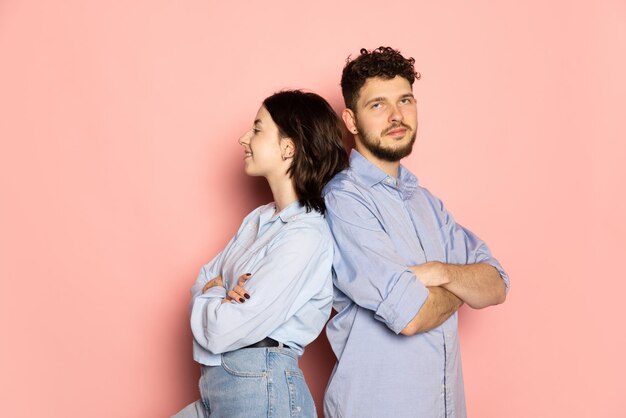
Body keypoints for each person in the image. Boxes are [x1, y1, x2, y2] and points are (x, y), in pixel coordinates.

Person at [322, 47, 510, 418]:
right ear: (352, 120)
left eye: (405, 100)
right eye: (377, 105)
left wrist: (440, 273)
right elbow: (411, 316)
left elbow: (496, 285)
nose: (396, 116)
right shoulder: (344, 200)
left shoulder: (427, 204)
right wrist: (461, 287)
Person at [173, 90, 348, 418]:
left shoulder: (307, 235)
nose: (243, 139)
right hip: (224, 385)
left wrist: (214, 295)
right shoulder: (259, 220)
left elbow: (222, 329)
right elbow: (201, 280)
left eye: (257, 129)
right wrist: (221, 292)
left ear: (287, 147)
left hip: (260, 385)